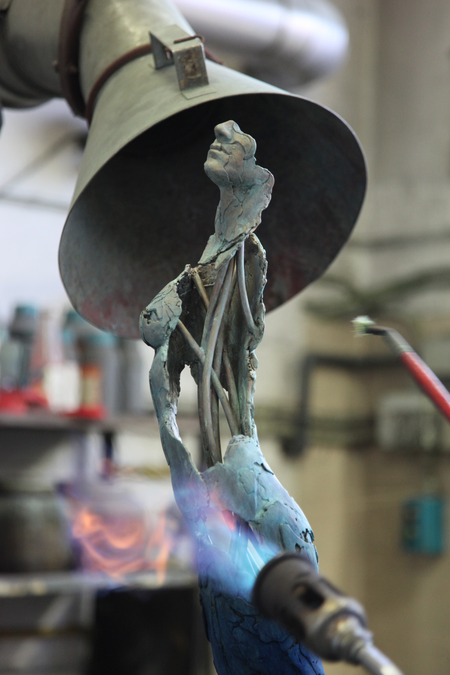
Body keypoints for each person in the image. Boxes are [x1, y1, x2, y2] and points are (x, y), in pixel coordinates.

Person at [140, 121, 325, 675]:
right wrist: (178, 294)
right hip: (216, 477)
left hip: (239, 467)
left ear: (252, 177)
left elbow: (235, 333)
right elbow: (155, 328)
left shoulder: (247, 252)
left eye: (235, 139)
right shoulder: (218, 248)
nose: (221, 131)